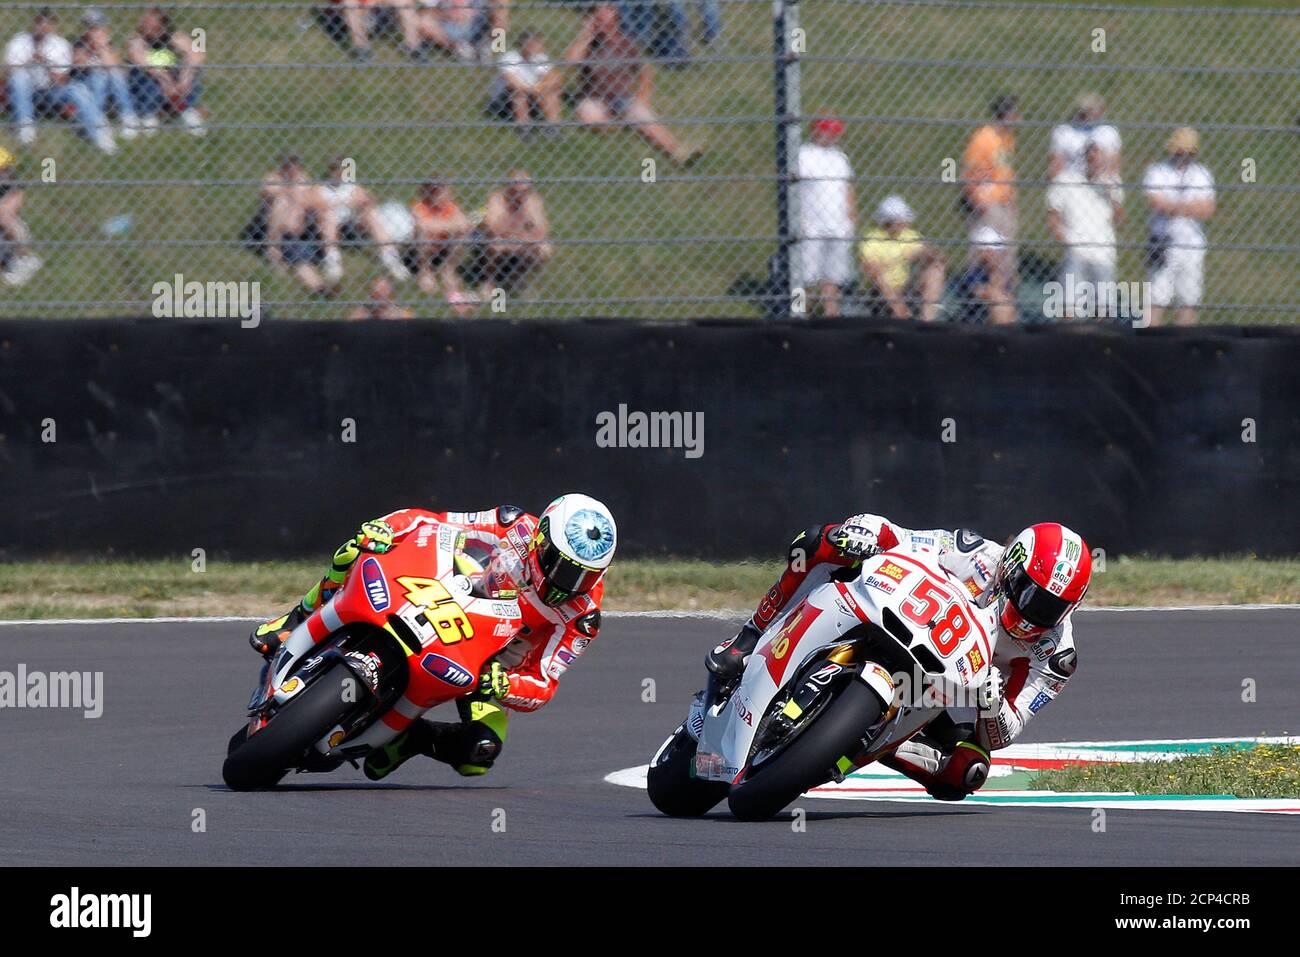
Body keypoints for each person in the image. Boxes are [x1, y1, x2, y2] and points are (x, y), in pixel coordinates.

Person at [705, 515, 1090, 801]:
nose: (1033, 613)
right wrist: (867, 530)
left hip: (942, 695)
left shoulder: (1056, 655)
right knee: (823, 542)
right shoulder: (974, 555)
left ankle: (849, 747)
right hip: (894, 615)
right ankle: (747, 637)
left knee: (967, 771)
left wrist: (991, 705)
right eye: (1029, 595)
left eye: (1051, 608)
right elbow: (902, 539)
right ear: (1011, 567)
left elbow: (1006, 732)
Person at [248, 495, 618, 780]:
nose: (566, 583)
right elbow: (434, 522)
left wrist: (505, 685)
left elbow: (544, 683)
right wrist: (388, 529)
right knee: (354, 550)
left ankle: (412, 736)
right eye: (562, 566)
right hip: (445, 600)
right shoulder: (512, 524)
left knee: (480, 752)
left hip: (488, 665)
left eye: (583, 576)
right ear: (541, 540)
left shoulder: (583, 616)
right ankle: (295, 617)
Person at [566, 3, 700, 167]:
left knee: (646, 120)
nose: (601, 17)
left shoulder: (626, 40)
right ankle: (622, 124)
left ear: (615, 16)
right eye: (597, 14)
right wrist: (586, 35)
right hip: (595, 97)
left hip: (623, 96)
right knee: (588, 117)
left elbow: (645, 70)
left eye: (606, 12)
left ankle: (679, 154)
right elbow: (569, 63)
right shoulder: (590, 44)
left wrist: (644, 95)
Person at [4, 7, 116, 153]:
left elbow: (63, 80)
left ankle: (100, 134)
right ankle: (26, 128)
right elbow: (8, 74)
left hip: (51, 91)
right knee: (19, 77)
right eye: (39, 23)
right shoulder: (19, 41)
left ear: (52, 27)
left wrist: (47, 63)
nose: (42, 28)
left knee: (77, 88)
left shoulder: (59, 45)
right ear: (34, 24)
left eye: (47, 24)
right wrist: (28, 61)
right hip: (27, 92)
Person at [1142, 126, 1215, 326]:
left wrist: (1174, 206)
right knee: (1156, 299)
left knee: (1188, 301)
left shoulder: (1202, 174)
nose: (1183, 155)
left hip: (1192, 244)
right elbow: (1156, 203)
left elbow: (1208, 209)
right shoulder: (1157, 171)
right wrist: (1189, 207)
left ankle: (1184, 346)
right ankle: (1152, 344)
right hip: (1162, 242)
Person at [1046, 140, 1124, 320]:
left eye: (1098, 158)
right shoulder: (1067, 180)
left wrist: (1109, 190)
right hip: (1076, 249)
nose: (1094, 162)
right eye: (1090, 157)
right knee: (1069, 308)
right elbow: (1052, 214)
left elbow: (1120, 218)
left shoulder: (1112, 182)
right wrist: (1065, 238)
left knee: (1104, 309)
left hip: (1104, 251)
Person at [793, 115, 855, 317]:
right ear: (815, 131)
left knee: (833, 274)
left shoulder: (840, 157)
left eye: (834, 132)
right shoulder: (803, 154)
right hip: (811, 222)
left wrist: (851, 216)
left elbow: (847, 187)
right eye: (826, 131)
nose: (830, 136)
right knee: (805, 274)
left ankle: (831, 312)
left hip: (838, 224)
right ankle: (799, 310)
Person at [261, 154, 343, 295]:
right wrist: (294, 193)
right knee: (301, 262)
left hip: (304, 230)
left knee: (302, 259)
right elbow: (269, 191)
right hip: (284, 234)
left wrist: (300, 200)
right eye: (287, 167)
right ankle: (319, 288)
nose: (292, 171)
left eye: (295, 168)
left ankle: (324, 280)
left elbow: (310, 200)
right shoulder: (273, 179)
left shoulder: (304, 179)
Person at [319, 155, 410, 282]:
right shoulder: (322, 188)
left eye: (341, 168)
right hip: (333, 225)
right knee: (329, 217)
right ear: (330, 170)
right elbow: (317, 205)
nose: (338, 172)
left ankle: (390, 259)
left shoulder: (351, 186)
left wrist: (358, 201)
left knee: (371, 213)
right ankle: (333, 262)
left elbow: (369, 200)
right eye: (335, 168)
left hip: (352, 224)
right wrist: (348, 202)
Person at [962, 94, 1019, 293]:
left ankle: (1003, 292)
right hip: (987, 202)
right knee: (984, 251)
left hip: (1003, 202)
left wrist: (1011, 199)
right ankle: (976, 294)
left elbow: (1004, 169)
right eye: (1012, 114)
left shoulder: (1007, 139)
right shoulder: (984, 138)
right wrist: (977, 199)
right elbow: (971, 170)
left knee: (1006, 252)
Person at [857, 195, 945, 322]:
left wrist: (927, 253)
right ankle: (900, 312)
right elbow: (871, 269)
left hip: (905, 287)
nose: (902, 223)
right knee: (878, 275)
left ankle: (927, 320)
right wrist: (900, 258)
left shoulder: (909, 235)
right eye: (896, 220)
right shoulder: (872, 238)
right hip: (879, 291)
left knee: (936, 269)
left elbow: (940, 258)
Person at [125, 6, 206, 136]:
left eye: (151, 23)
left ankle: (187, 111)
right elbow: (140, 60)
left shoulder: (172, 36)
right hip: (149, 79)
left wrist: (185, 79)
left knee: (192, 72)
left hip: (173, 81)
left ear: (161, 25)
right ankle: (148, 114)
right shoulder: (137, 39)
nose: (145, 25)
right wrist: (165, 79)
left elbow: (197, 55)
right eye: (145, 22)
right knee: (146, 78)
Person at [475, 169, 552, 297]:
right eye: (516, 190)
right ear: (509, 187)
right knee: (496, 245)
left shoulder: (533, 202)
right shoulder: (497, 200)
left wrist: (528, 216)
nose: (520, 195)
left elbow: (543, 230)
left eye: (525, 191)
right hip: (501, 239)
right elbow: (493, 229)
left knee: (545, 249)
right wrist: (516, 225)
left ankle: (517, 276)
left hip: (524, 239)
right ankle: (490, 281)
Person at [70, 8, 141, 143]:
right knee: (99, 76)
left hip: (111, 85)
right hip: (86, 84)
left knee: (114, 74)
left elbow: (113, 66)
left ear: (103, 28)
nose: (92, 31)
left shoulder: (108, 44)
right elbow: (79, 64)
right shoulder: (79, 44)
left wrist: (101, 46)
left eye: (96, 27)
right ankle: (98, 118)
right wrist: (90, 49)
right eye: (89, 27)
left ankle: (128, 118)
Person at [410, 175, 472, 310]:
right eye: (434, 192)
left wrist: (438, 225)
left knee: (464, 236)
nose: (438, 196)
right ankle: (425, 271)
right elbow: (422, 226)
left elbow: (465, 225)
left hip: (444, 247)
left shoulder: (450, 207)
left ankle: (447, 268)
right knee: (422, 235)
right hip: (426, 248)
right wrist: (450, 225)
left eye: (441, 192)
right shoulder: (420, 207)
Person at [489, 30, 561, 128]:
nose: (537, 47)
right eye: (533, 44)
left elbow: (554, 77)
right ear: (523, 45)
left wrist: (541, 87)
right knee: (519, 93)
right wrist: (535, 89)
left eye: (538, 44)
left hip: (533, 94)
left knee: (550, 92)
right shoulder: (509, 57)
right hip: (506, 99)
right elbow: (511, 83)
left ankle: (553, 126)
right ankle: (524, 126)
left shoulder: (540, 58)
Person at [1049, 92, 1121, 179]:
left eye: (1093, 109)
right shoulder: (1064, 131)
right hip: (1072, 179)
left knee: (1114, 180)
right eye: (1086, 110)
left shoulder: (1108, 131)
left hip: (1100, 178)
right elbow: (1057, 165)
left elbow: (1113, 165)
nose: (1089, 114)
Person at [0, 144, 42, 286]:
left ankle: (23, 257)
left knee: (3, 215)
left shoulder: (5, 172)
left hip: (8, 198)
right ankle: (15, 260)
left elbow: (15, 189)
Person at [349, 274, 413, 319]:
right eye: (378, 291)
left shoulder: (399, 312)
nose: (382, 294)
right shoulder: (364, 311)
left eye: (385, 289)